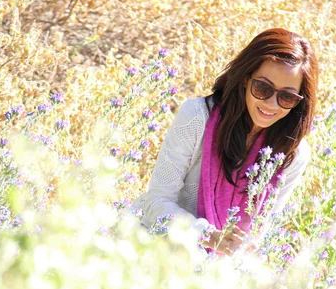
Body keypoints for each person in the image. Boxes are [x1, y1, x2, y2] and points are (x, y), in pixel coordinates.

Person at [133, 28, 318, 255]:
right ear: (244, 79)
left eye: (287, 97)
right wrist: (207, 236)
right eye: (263, 88)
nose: (272, 104)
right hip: (153, 247)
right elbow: (156, 202)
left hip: (217, 272)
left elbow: (260, 233)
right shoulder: (197, 116)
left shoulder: (293, 155)